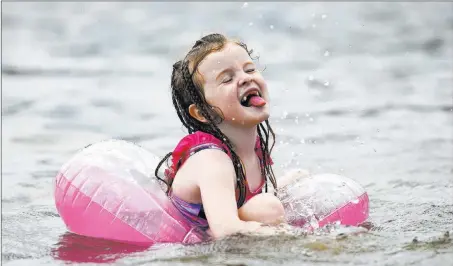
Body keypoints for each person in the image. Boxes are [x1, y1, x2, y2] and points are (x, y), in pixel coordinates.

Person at [155, 33, 293, 239]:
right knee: (267, 208)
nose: (246, 78)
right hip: (193, 243)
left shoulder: (253, 148)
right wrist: (298, 235)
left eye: (249, 69)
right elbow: (226, 230)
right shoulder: (211, 160)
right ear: (203, 113)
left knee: (290, 185)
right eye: (228, 79)